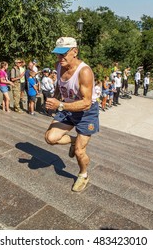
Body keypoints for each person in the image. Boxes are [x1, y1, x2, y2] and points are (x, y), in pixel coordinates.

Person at [45, 37, 99, 192]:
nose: (60, 58)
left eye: (64, 54)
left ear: (75, 51)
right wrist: (55, 97)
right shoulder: (59, 66)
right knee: (50, 138)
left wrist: (60, 105)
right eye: (58, 54)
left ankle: (83, 175)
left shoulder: (85, 72)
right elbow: (59, 84)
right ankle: (75, 140)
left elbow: (86, 102)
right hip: (68, 107)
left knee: (79, 152)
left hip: (86, 112)